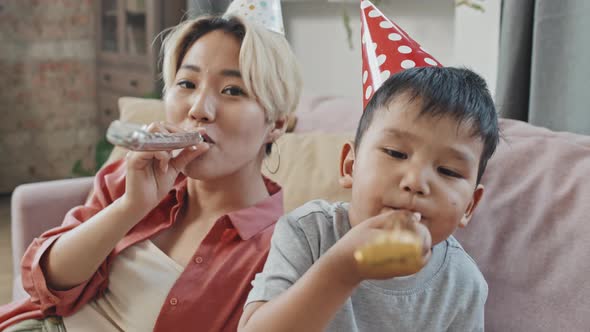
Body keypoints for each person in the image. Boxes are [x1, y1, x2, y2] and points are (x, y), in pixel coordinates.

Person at [0, 1, 302, 330]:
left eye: (232, 90)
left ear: (276, 124)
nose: (199, 109)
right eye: (187, 84)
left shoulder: (280, 250)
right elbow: (46, 283)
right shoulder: (133, 178)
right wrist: (132, 206)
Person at [238, 66, 500, 332]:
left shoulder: (464, 284)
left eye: (448, 171)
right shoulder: (308, 232)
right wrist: (344, 268)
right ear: (350, 166)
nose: (415, 182)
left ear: (469, 206)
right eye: (396, 153)